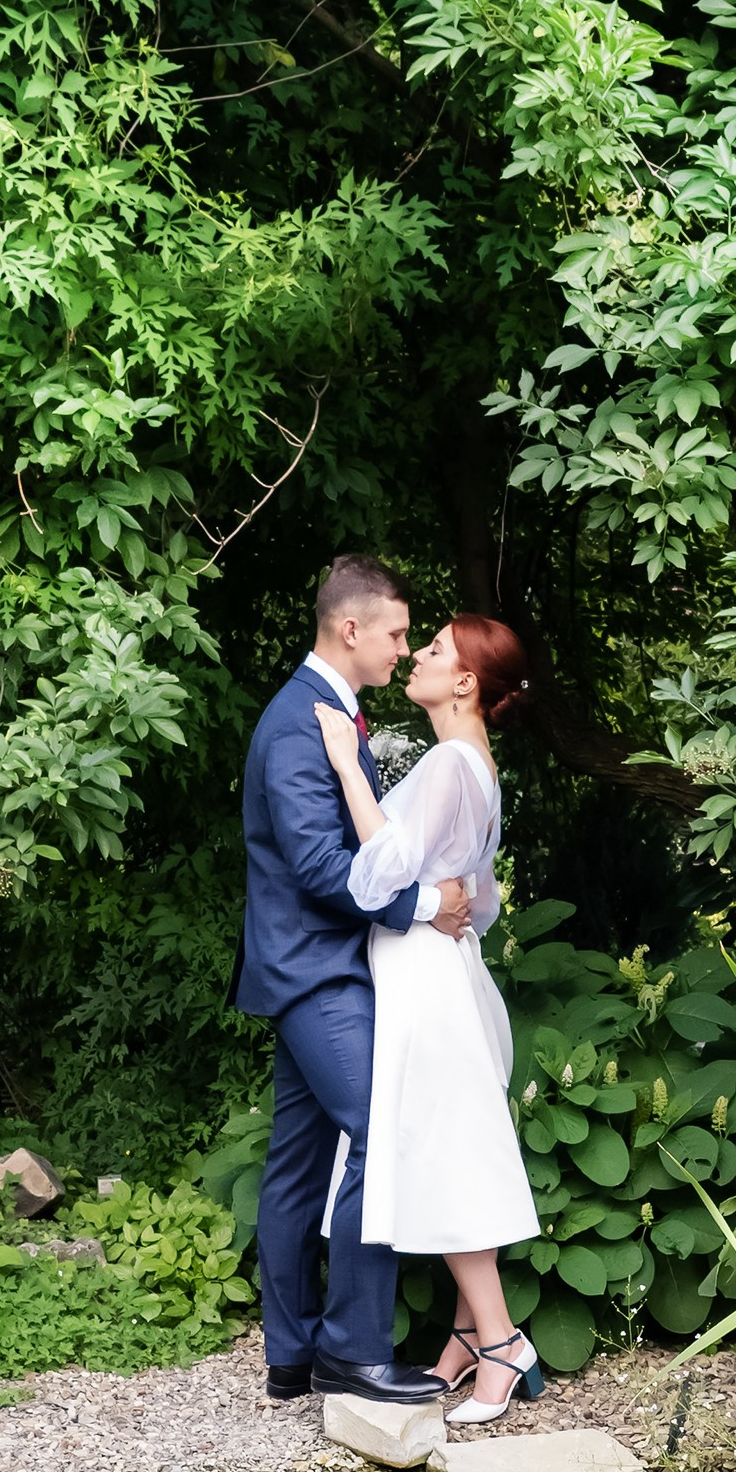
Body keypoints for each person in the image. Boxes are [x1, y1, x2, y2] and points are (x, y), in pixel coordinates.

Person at [235, 556, 472, 1403]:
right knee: (382, 1127)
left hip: (316, 965)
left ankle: (290, 1359)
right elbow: (318, 865)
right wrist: (423, 906)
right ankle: (352, 1351)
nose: (404, 649)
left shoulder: (329, 714)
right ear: (351, 630)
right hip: (315, 970)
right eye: (398, 634)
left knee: (299, 1163)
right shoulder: (302, 722)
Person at [313, 613, 545, 1428]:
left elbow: (380, 876)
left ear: (465, 683)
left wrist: (348, 766)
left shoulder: (450, 761)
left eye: (436, 650)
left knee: (443, 1160)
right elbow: (477, 902)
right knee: (446, 1152)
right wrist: (442, 906)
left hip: (423, 984)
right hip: (442, 972)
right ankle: (461, 1338)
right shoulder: (479, 766)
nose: (418, 655)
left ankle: (503, 1344)